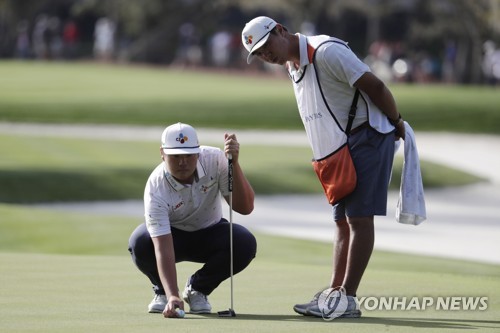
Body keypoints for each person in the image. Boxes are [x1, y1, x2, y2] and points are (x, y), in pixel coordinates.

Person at [241, 16, 405, 319]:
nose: (267, 56)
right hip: (340, 147)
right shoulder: (293, 67)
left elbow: (376, 86)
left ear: (281, 30)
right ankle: (334, 292)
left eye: (266, 47)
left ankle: (348, 298)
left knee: (358, 218)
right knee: (342, 220)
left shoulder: (326, 51)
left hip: (368, 134)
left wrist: (396, 123)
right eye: (260, 54)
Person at [128, 122, 257, 318]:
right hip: (172, 236)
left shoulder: (216, 160)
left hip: (210, 232)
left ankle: (197, 289)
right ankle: (163, 293)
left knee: (244, 242)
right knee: (140, 241)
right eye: (176, 156)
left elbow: (245, 208)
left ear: (198, 152)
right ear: (162, 153)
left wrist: (234, 163)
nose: (183, 162)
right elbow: (162, 246)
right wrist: (173, 294)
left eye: (188, 155)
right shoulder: (156, 187)